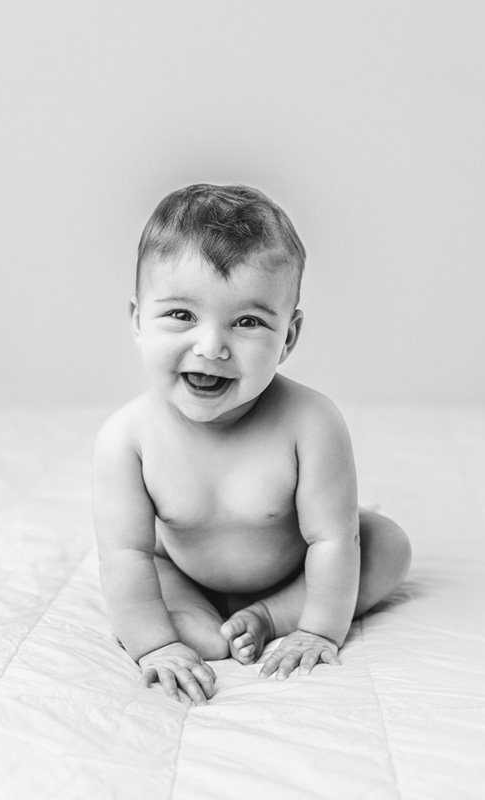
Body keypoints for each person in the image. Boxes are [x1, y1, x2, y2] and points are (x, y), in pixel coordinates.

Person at [93, 183, 411, 706]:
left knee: (388, 547)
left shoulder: (311, 422)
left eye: (247, 322)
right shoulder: (126, 439)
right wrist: (155, 647)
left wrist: (318, 630)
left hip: (296, 570)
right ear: (136, 320)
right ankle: (210, 620)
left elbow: (333, 540)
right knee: (192, 635)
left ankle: (271, 615)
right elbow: (124, 554)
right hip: (186, 572)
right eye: (181, 315)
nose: (212, 345)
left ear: (287, 337)